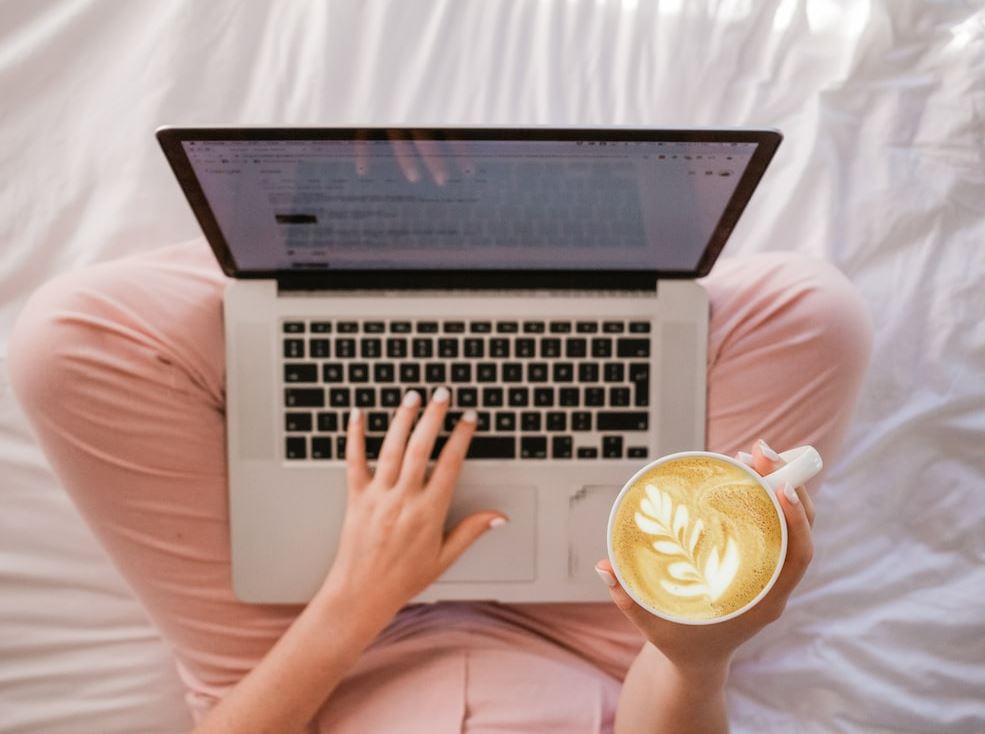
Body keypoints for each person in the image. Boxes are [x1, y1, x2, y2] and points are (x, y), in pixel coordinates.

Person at [6, 238, 872, 733]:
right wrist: (696, 651)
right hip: (606, 648)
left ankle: (350, 251)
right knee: (811, 312)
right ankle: (527, 258)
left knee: (69, 339)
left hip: (312, 658)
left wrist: (359, 595)